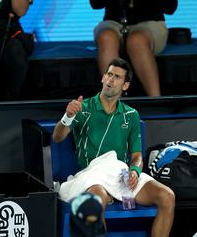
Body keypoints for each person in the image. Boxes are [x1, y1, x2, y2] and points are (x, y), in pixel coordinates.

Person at [52, 58, 175, 237]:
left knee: (167, 196)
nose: (111, 79)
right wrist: (68, 116)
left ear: (125, 86)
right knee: (96, 200)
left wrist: (135, 171)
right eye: (109, 74)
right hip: (91, 174)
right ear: (103, 78)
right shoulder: (82, 108)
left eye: (117, 77)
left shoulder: (131, 115)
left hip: (120, 174)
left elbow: (137, 155)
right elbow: (57, 137)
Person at [90, 0, 177, 97]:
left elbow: (171, 7)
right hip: (115, 23)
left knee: (136, 40)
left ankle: (156, 101)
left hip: (149, 25)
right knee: (106, 37)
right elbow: (95, 2)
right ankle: (110, 103)